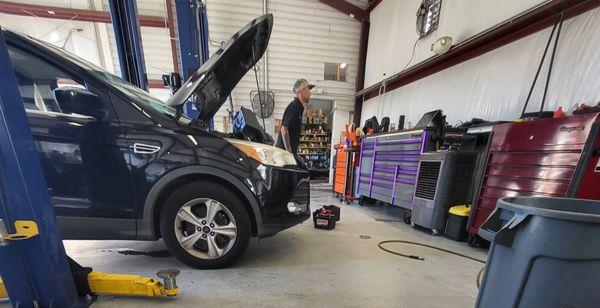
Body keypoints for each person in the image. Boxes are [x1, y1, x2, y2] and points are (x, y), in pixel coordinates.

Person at [276, 78, 314, 154]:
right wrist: (289, 151)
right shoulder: (294, 107)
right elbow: (284, 129)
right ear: (302, 91)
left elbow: (283, 126)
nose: (310, 93)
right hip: (284, 155)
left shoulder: (299, 108)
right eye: (308, 90)